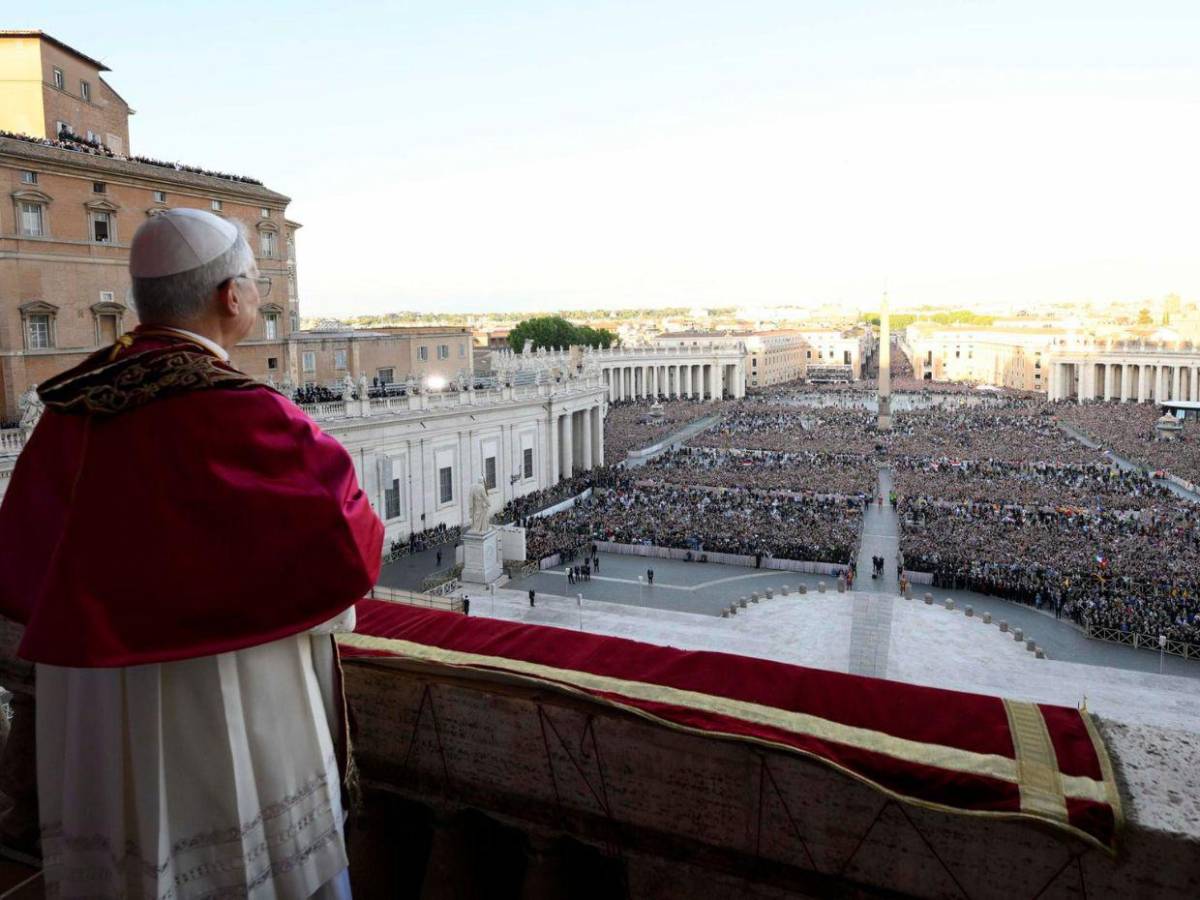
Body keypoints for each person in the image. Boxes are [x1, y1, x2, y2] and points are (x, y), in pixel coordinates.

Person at [0, 209, 383, 900]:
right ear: (230, 297)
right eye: (256, 283)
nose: (260, 297)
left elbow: (23, 559)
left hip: (99, 698)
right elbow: (352, 539)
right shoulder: (250, 412)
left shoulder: (70, 409)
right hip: (229, 685)